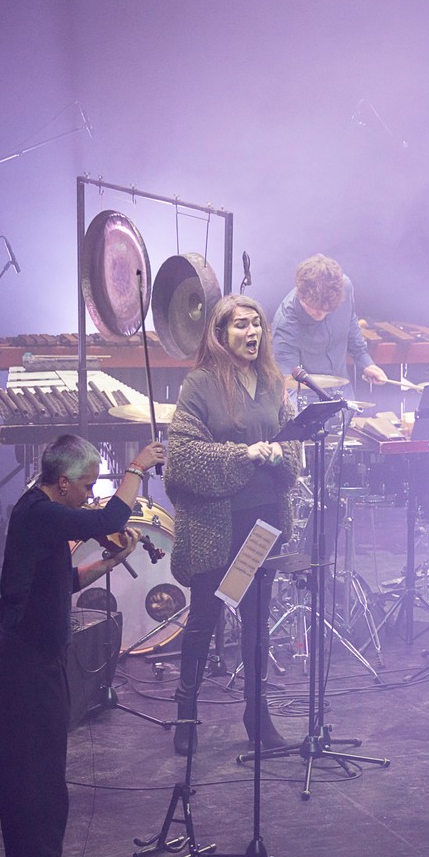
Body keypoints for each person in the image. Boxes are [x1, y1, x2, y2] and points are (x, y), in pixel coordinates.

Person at [0, 431, 163, 857]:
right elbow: (110, 518)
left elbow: (58, 583)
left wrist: (107, 563)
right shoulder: (41, 513)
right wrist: (137, 466)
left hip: (34, 661)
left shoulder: (37, 512)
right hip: (26, 666)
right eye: (86, 485)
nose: (90, 493)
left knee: (35, 781)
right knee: (36, 785)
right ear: (63, 484)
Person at [164, 294, 300, 755]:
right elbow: (180, 457)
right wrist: (242, 454)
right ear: (221, 333)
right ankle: (186, 712)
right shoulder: (200, 385)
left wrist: (283, 452)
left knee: (257, 621)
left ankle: (256, 715)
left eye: (257, 324)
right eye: (242, 325)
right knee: (205, 617)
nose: (253, 332)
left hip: (263, 522)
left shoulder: (271, 380)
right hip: (218, 525)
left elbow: (292, 439)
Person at [270, 254, 390, 391]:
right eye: (315, 309)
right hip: (308, 401)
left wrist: (365, 362)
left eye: (328, 310)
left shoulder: (345, 286)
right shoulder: (285, 324)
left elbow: (350, 323)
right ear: (301, 295)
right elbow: (288, 383)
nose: (321, 314)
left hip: (343, 392)